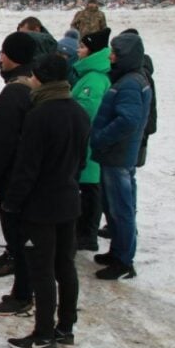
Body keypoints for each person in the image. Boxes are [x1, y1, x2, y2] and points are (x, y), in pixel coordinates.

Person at [3, 54, 91, 348]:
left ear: (40, 78)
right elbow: (81, 160)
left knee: (41, 269)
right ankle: (65, 329)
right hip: (68, 199)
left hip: (41, 206)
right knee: (65, 265)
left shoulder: (39, 115)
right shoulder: (78, 112)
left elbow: (27, 168)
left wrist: (12, 203)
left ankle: (42, 335)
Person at [90, 32, 153, 280]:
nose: (112, 57)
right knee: (115, 207)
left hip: (118, 156)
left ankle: (124, 260)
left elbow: (128, 120)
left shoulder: (129, 83)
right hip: (118, 155)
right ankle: (118, 252)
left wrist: (100, 137)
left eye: (116, 53)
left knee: (121, 209)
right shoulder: (133, 78)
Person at [0, 32, 35, 296]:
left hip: (13, 174)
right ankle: (15, 255)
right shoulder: (33, 82)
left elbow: (2, 139)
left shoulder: (15, 92)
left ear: (13, 56)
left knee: (16, 227)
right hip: (26, 171)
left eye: (3, 53)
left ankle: (22, 290)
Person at [70, 28, 112, 251]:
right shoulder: (90, 75)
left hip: (88, 145)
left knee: (89, 189)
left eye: (83, 47)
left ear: (93, 52)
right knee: (88, 188)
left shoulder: (94, 79)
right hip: (87, 144)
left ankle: (87, 235)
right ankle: (85, 232)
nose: (79, 50)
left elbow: (86, 113)